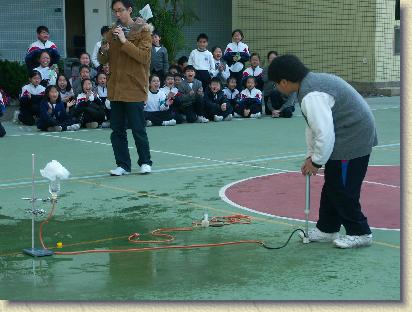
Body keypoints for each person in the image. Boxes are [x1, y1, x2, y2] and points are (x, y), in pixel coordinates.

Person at [268, 54, 377, 249]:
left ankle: (360, 232)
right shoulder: (308, 86)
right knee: (334, 184)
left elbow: (324, 133)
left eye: (276, 83)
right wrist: (312, 156)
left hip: (352, 138)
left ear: (284, 81)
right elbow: (314, 127)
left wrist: (316, 162)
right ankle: (327, 228)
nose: (276, 87)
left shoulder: (311, 94)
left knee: (343, 188)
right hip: (345, 134)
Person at [98, 0, 153, 176]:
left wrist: (124, 41)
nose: (117, 14)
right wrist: (103, 49)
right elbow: (102, 60)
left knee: (138, 128)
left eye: (120, 10)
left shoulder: (144, 31)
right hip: (115, 88)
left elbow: (144, 57)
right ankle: (122, 165)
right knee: (117, 130)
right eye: (115, 11)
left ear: (129, 10)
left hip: (134, 86)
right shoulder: (112, 31)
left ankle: (145, 162)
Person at [262, 50, 278, 115]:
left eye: (274, 58)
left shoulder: (280, 68)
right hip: (267, 93)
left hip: (277, 93)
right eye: (271, 58)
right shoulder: (265, 69)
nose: (272, 59)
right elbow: (264, 79)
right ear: (268, 59)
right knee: (268, 112)